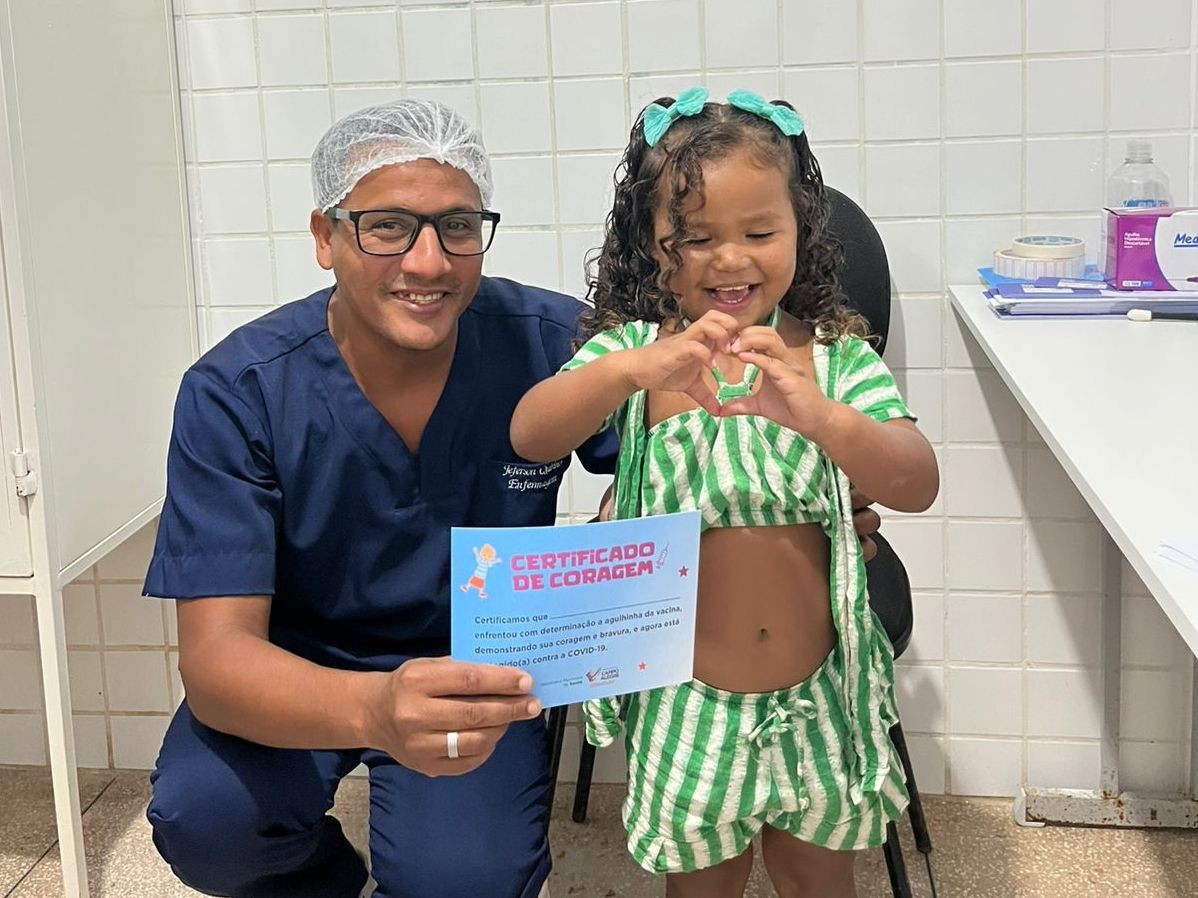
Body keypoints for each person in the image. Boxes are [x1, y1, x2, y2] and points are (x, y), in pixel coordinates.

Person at [141, 99, 618, 898]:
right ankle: (326, 881)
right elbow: (217, 662)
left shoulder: (552, 343)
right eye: (387, 226)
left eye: (457, 226)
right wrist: (374, 708)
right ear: (325, 237)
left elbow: (675, 459)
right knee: (208, 823)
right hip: (295, 660)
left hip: (477, 664)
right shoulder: (239, 390)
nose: (429, 262)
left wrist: (633, 529)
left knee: (465, 881)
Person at [510, 87, 939, 898]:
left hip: (822, 698)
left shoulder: (836, 359)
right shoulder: (639, 355)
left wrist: (824, 419)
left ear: (801, 231)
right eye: (695, 238)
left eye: (759, 233)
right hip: (686, 706)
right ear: (651, 245)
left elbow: (916, 482)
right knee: (701, 885)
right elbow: (532, 434)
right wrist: (628, 370)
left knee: (820, 880)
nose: (729, 259)